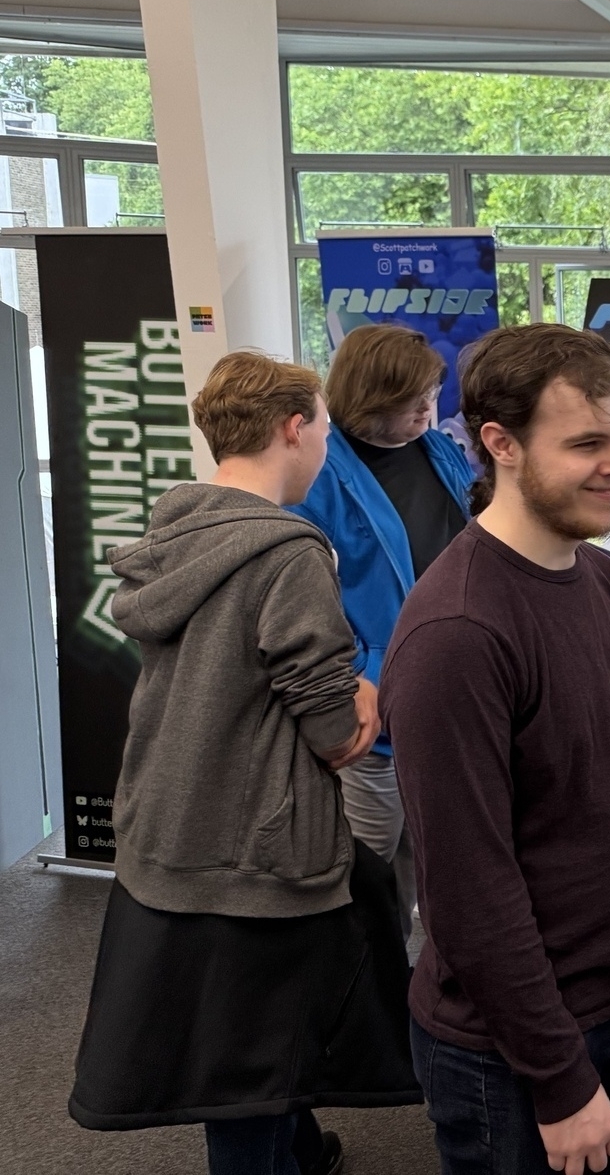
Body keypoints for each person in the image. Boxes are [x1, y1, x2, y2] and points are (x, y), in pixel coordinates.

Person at [69, 351, 418, 1175]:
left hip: (168, 819)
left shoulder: (177, 529)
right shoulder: (290, 551)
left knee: (237, 1030)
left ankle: (303, 1149)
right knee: (247, 1066)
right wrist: (363, 700)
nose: (327, 448)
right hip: (259, 845)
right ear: (293, 428)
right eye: (325, 431)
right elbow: (332, 730)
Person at [381, 324, 610, 1175]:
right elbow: (466, 887)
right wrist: (558, 1080)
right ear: (501, 444)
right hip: (514, 1048)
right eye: (588, 443)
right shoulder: (458, 630)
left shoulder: (600, 579)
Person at [291, 322, 475, 941]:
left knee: (448, 865)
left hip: (452, 687)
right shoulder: (316, 478)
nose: (430, 412)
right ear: (369, 399)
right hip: (371, 701)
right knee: (371, 874)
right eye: (413, 402)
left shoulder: (438, 449)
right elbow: (299, 609)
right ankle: (368, 1010)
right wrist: (345, 681)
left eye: (433, 396)